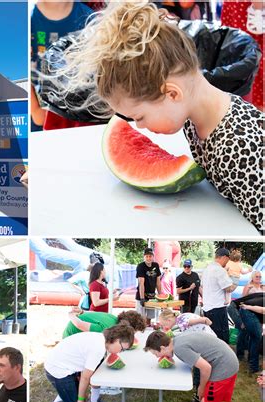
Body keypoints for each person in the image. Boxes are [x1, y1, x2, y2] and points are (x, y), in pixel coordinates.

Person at [59, 1, 264, 232]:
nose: (139, 126)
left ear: (172, 93)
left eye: (140, 116)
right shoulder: (193, 118)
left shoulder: (238, 145)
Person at [44, 323, 135, 402]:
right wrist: (81, 399)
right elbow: (85, 377)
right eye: (122, 348)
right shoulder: (97, 348)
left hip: (65, 366)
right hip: (58, 370)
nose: (121, 352)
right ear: (116, 340)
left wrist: (83, 396)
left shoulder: (99, 339)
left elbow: (84, 376)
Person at [31, 0, 93, 130]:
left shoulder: (89, 18)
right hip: (42, 115)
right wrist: (35, 110)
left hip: (81, 116)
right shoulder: (28, 19)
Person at [201, 248, 237, 342]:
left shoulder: (207, 269)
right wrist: (235, 282)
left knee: (211, 337)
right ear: (224, 257)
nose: (227, 263)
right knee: (221, 338)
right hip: (217, 308)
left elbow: (201, 288)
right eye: (228, 260)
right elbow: (228, 288)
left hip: (207, 308)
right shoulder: (219, 270)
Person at [135, 248, 162, 325]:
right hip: (141, 295)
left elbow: (158, 282)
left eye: (150, 256)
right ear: (144, 257)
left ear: (153, 256)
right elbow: (141, 283)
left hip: (152, 296)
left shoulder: (156, 265)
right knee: (141, 318)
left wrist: (160, 295)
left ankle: (148, 330)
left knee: (150, 317)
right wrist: (142, 298)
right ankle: (141, 332)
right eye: (147, 256)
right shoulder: (140, 266)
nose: (148, 258)